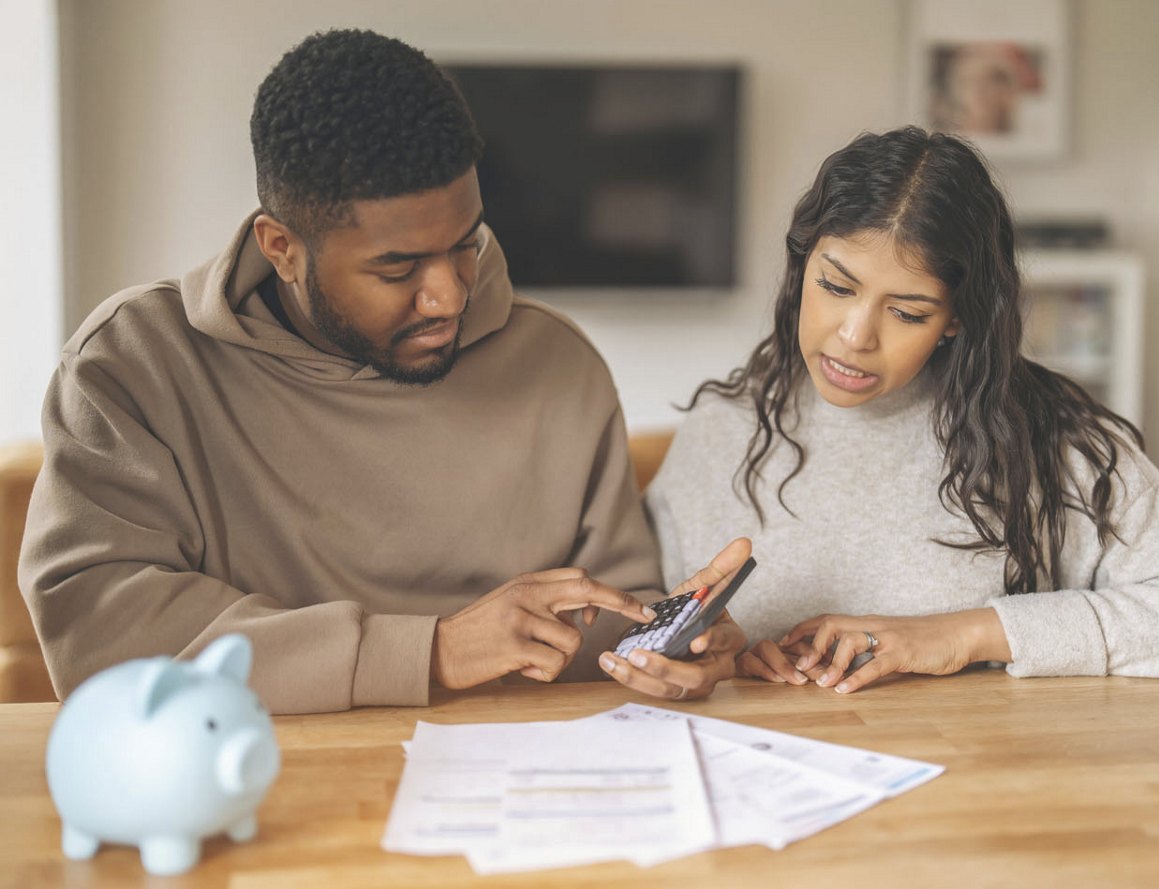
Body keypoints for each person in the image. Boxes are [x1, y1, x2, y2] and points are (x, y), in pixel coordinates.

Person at [19, 29, 746, 714]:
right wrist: (428, 650)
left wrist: (674, 649)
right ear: (282, 247)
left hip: (522, 791)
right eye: (397, 267)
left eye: (467, 243)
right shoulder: (134, 366)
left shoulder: (559, 366)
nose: (450, 295)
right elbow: (102, 639)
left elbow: (617, 613)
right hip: (255, 789)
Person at [644, 126, 1159, 695]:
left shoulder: (1052, 439)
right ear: (803, 265)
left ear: (958, 318)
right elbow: (660, 624)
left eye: (907, 312)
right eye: (835, 286)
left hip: (984, 788)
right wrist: (720, 655)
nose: (856, 336)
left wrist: (964, 634)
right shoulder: (722, 431)